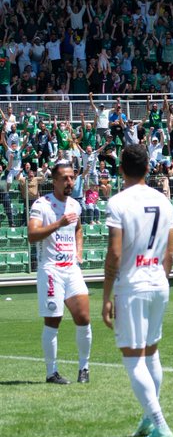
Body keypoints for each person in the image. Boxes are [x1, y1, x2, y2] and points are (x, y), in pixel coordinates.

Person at [101, 144, 173, 437]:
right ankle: (149, 416)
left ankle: (160, 424)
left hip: (132, 286)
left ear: (121, 169)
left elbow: (114, 256)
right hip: (159, 283)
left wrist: (106, 295)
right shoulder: (165, 202)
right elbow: (169, 254)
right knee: (151, 354)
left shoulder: (118, 203)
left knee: (133, 358)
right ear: (148, 168)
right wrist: (159, 277)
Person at [27, 162, 91, 385]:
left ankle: (84, 368)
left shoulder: (75, 204)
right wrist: (58, 223)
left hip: (71, 269)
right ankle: (51, 372)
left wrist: (79, 251)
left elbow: (78, 228)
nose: (69, 182)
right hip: (51, 270)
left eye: (72, 177)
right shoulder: (41, 205)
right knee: (54, 320)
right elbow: (32, 235)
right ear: (54, 181)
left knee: (83, 318)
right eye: (64, 178)